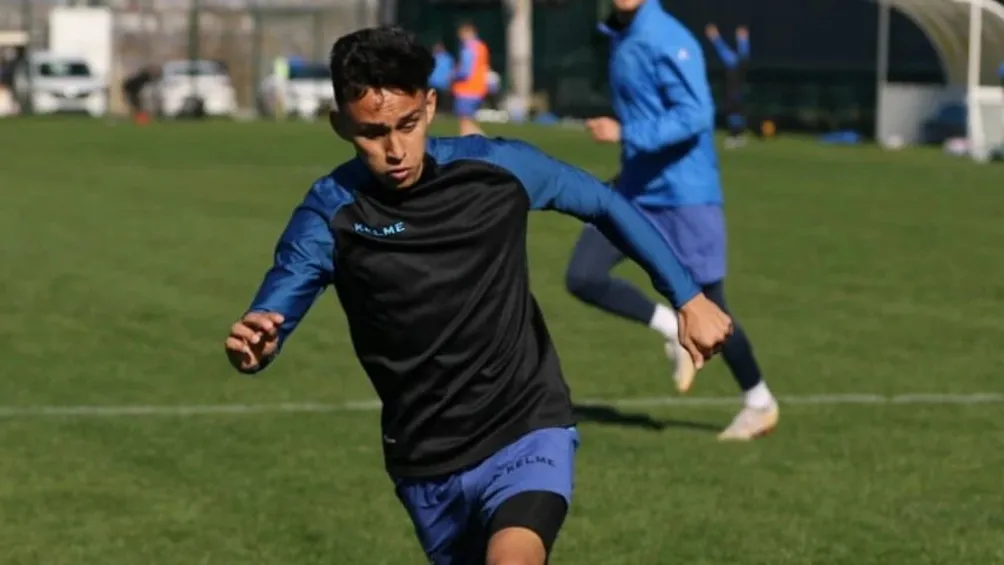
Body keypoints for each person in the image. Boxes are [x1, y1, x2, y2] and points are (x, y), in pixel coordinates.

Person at [224, 26, 733, 565]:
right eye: (372, 133)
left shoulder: (497, 169)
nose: (395, 149)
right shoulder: (333, 211)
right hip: (424, 458)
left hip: (526, 425)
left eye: (409, 124)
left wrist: (688, 296)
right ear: (340, 125)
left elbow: (603, 204)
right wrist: (260, 334)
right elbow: (282, 294)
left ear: (430, 104)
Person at [577, 0, 778, 441]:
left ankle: (759, 401)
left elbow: (696, 115)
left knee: (713, 308)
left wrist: (627, 132)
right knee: (583, 274)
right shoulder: (618, 34)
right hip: (635, 188)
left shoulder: (667, 37)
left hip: (683, 196)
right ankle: (671, 326)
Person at [705, 23, 751, 149]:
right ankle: (737, 135)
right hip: (733, 90)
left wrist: (715, 38)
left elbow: (727, 53)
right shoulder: (737, 62)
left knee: (734, 111)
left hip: (735, 90)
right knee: (733, 112)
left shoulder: (739, 63)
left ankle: (736, 135)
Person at [451, 22, 489, 136]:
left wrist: (453, 75)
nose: (461, 38)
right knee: (470, 121)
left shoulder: (468, 48)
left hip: (466, 89)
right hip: (478, 88)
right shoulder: (481, 46)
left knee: (464, 122)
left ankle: (475, 144)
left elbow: (465, 71)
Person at [428, 41, 455, 110]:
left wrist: (450, 81)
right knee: (434, 99)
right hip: (433, 83)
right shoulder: (433, 57)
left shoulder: (448, 58)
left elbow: (452, 70)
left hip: (444, 83)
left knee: (445, 99)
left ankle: (446, 111)